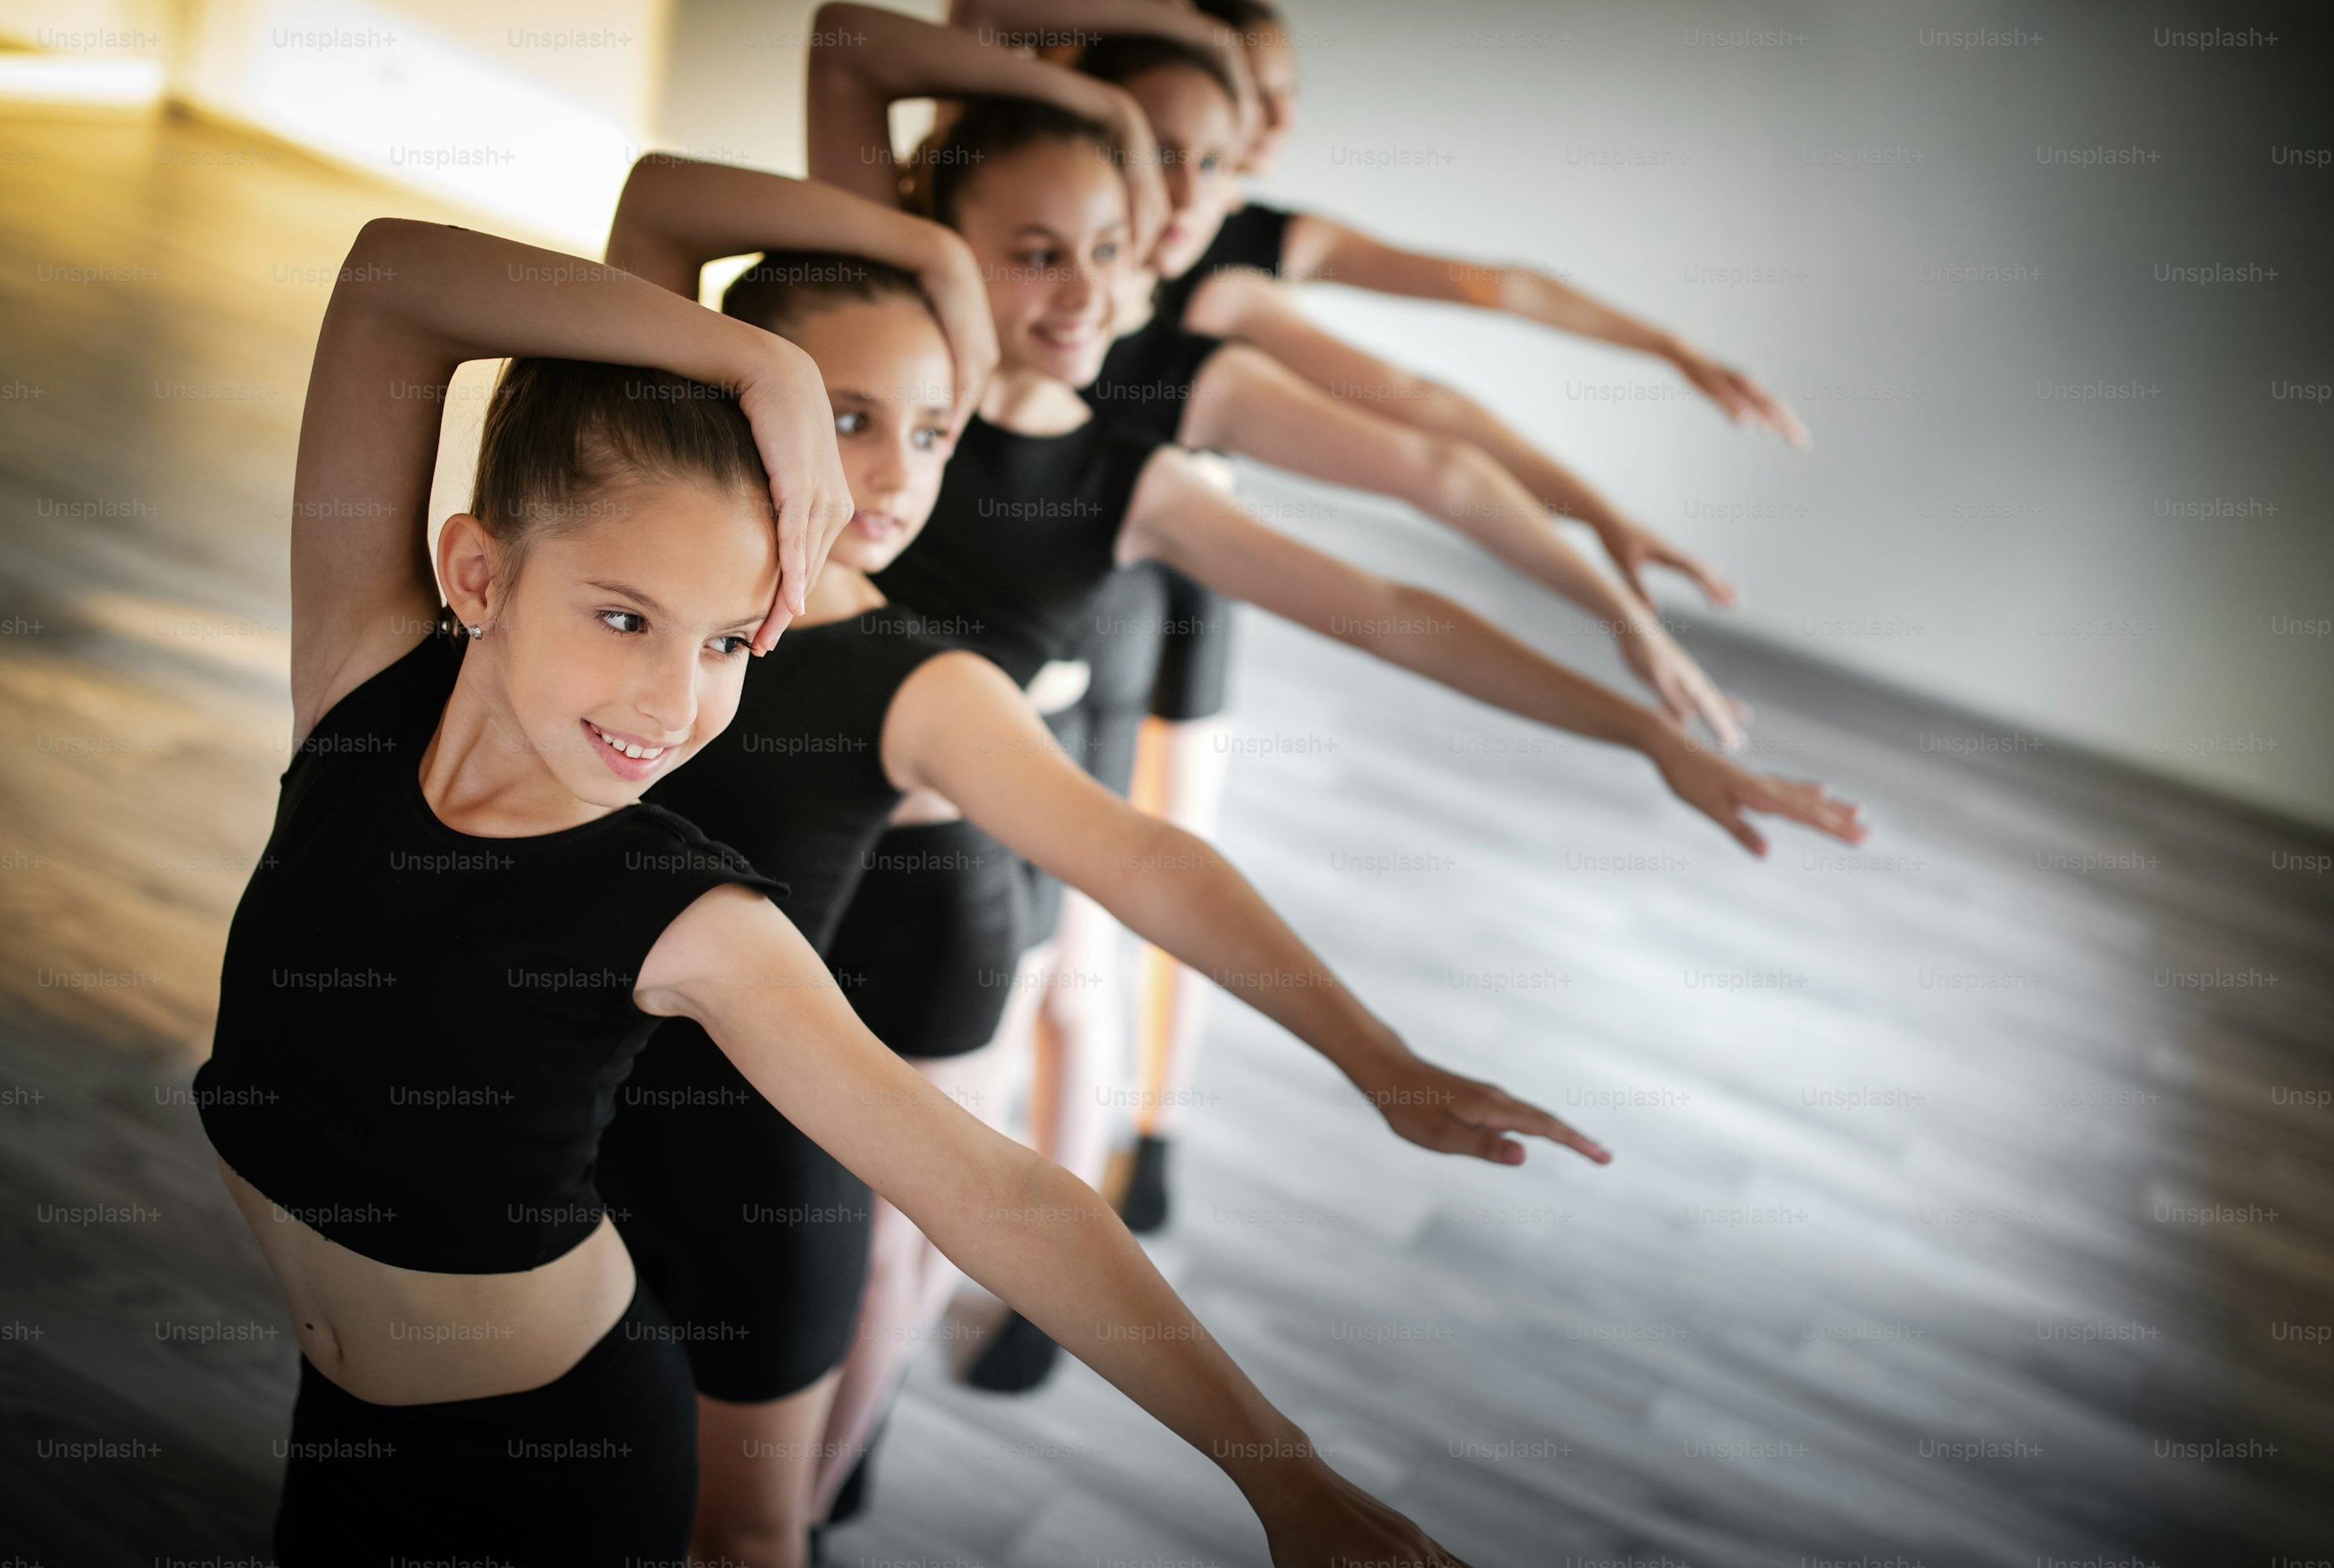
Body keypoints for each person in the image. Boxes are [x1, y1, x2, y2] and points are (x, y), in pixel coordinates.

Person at [188, 213, 1515, 1567]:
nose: (672, 700)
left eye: (729, 641)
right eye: (626, 617)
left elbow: (999, 1193)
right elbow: (391, 282)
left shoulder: (689, 913)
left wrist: (1282, 1480)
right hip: (339, 1428)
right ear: (478, 572)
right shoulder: (358, 688)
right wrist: (762, 369)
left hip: (548, 1473)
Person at [594, 154, 1608, 1566]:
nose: (896, 476)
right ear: (741, 386)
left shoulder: (921, 679)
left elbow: (1150, 863)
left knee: (746, 1537)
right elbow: (658, 205)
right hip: (546, 1124)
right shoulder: (613, 543)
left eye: (937, 432)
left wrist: (1376, 1058)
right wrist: (950, 273)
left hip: (755, 1177)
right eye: (847, 418)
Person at [809, 82, 1871, 1401]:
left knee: (892, 1245)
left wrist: (1642, 726)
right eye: (1035, 251)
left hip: (946, 873)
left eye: (1113, 243)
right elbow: (843, 50)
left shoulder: (1128, 475)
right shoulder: (851, 356)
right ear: (933, 236)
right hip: (781, 845)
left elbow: (1398, 613)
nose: (1088, 288)